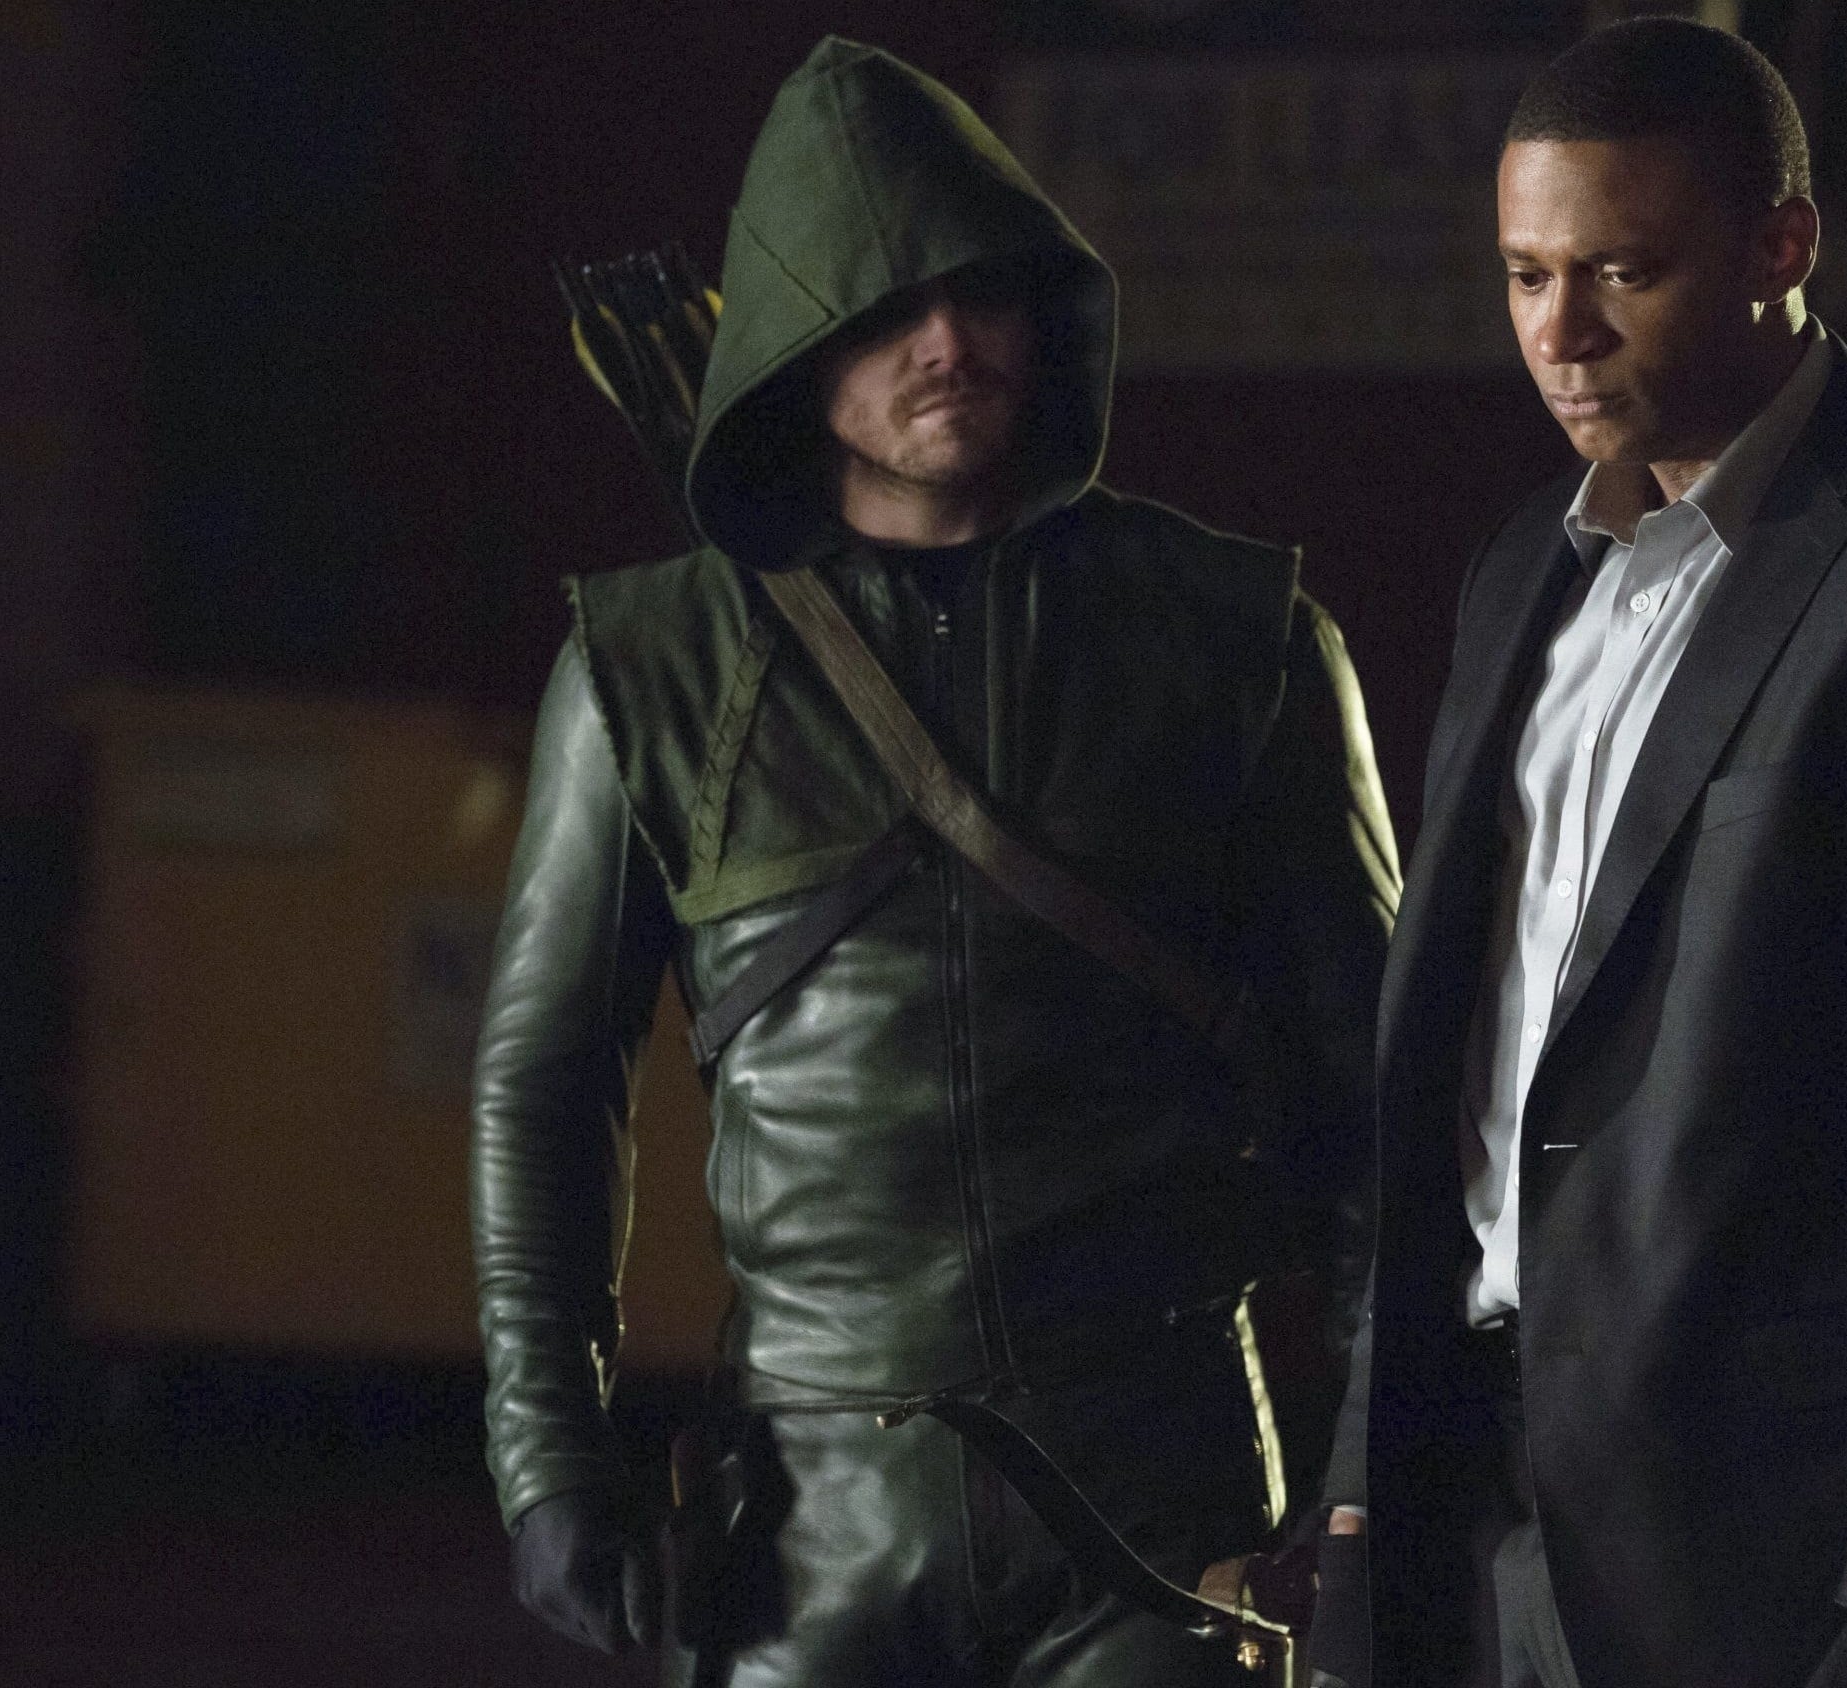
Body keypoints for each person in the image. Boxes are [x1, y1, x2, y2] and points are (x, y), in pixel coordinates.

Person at [470, 38, 1397, 1687]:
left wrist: (1373, 1474)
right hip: (810, 1525)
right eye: (887, 306)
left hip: (1166, 1497)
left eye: (980, 293)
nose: (950, 342)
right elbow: (546, 1082)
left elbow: (1378, 1096)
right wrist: (547, 1454)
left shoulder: (1236, 640)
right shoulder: (652, 671)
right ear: (792, 341)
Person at [1310, 20, 1847, 1688]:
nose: (1559, 334)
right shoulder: (1526, 572)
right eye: (1526, 275)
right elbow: (1454, 1071)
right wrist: (1358, 1491)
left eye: (1623, 273)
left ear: (1783, 248)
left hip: (1782, 1551)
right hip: (1474, 1514)